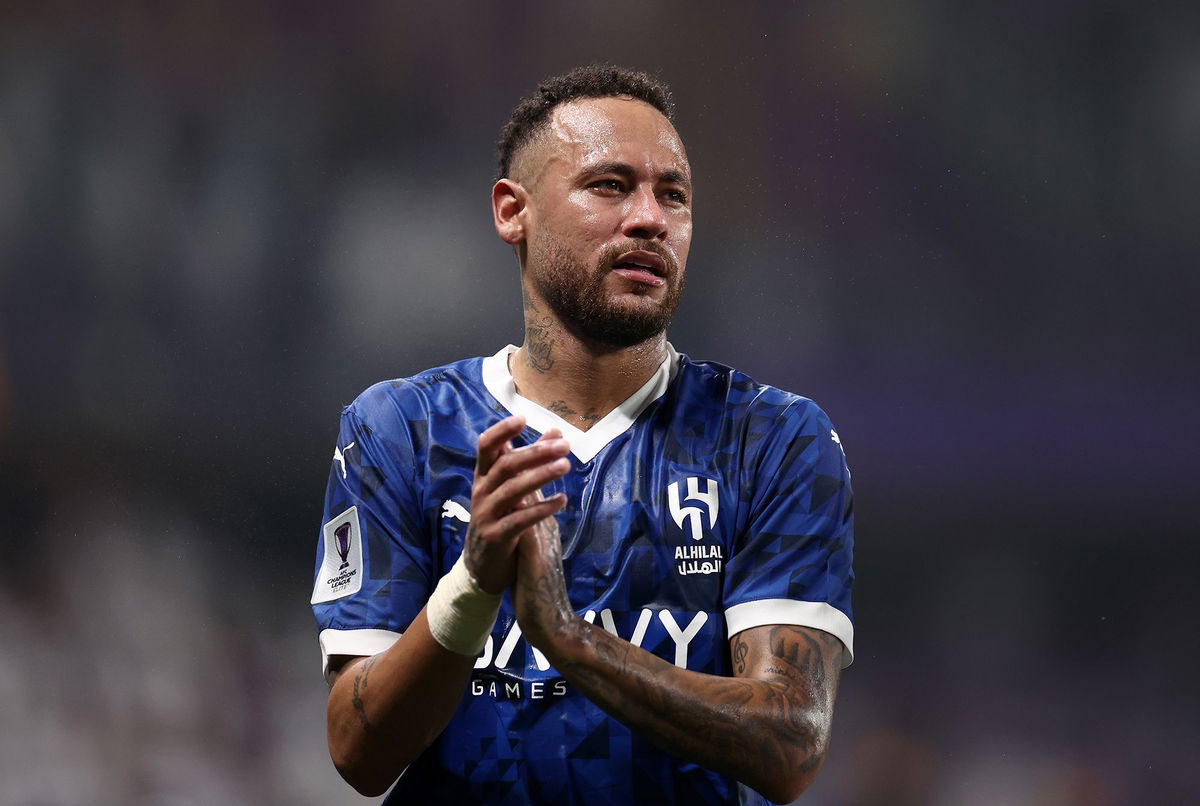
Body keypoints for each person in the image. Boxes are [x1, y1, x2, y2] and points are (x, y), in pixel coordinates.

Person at [311, 65, 855, 805]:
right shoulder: (399, 431)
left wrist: (568, 638)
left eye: (674, 195)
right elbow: (357, 753)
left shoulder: (773, 440)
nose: (650, 218)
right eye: (610, 186)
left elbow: (791, 742)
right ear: (513, 212)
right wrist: (472, 586)